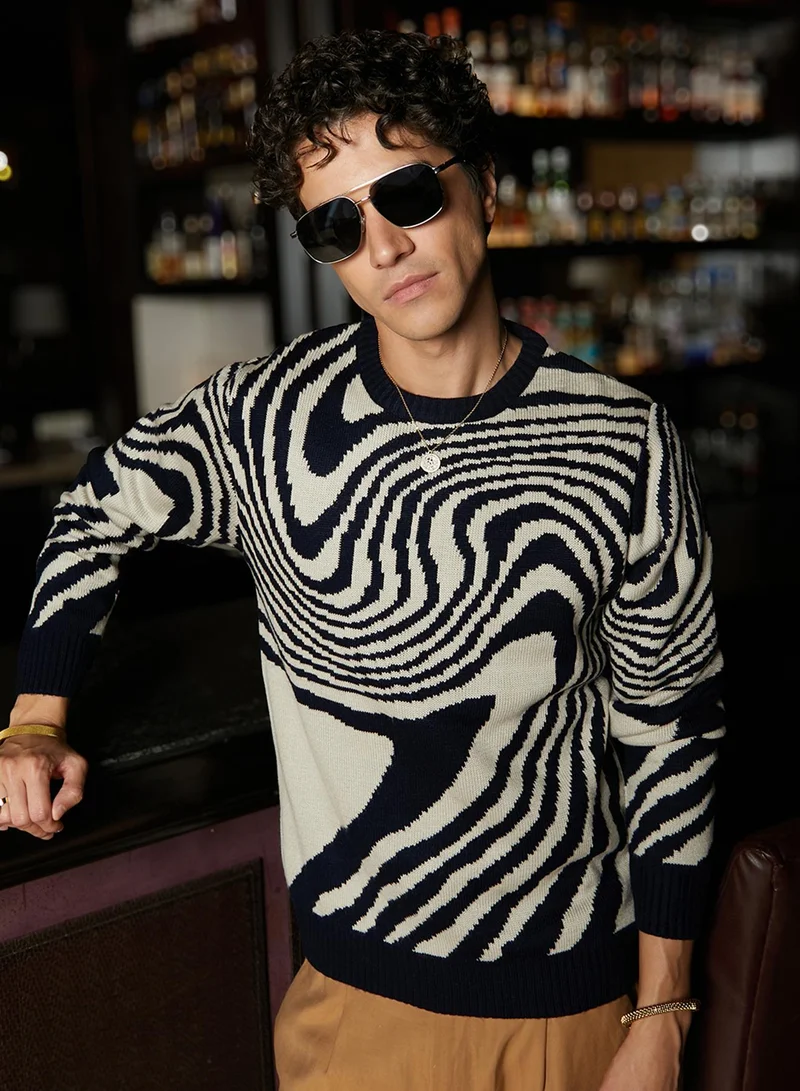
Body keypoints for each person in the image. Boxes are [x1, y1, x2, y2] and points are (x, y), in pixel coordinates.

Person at [1, 27, 725, 1091]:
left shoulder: (621, 437)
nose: (382, 247)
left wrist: (661, 1014)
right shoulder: (263, 418)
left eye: (409, 196)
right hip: (351, 1009)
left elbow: (672, 734)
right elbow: (94, 508)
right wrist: (35, 716)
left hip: (571, 1005)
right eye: (336, 225)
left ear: (483, 187)